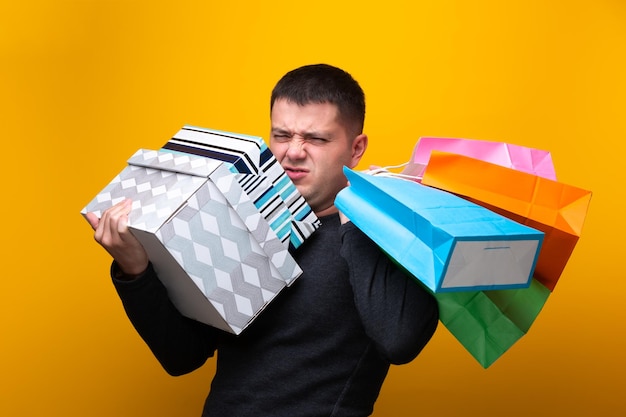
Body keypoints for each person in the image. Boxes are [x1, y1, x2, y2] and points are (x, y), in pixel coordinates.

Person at [86, 63, 439, 417]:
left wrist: (354, 223)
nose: (293, 152)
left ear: (356, 148)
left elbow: (398, 342)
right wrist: (136, 271)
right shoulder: (242, 222)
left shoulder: (390, 236)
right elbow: (183, 356)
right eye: (282, 136)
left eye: (316, 139)